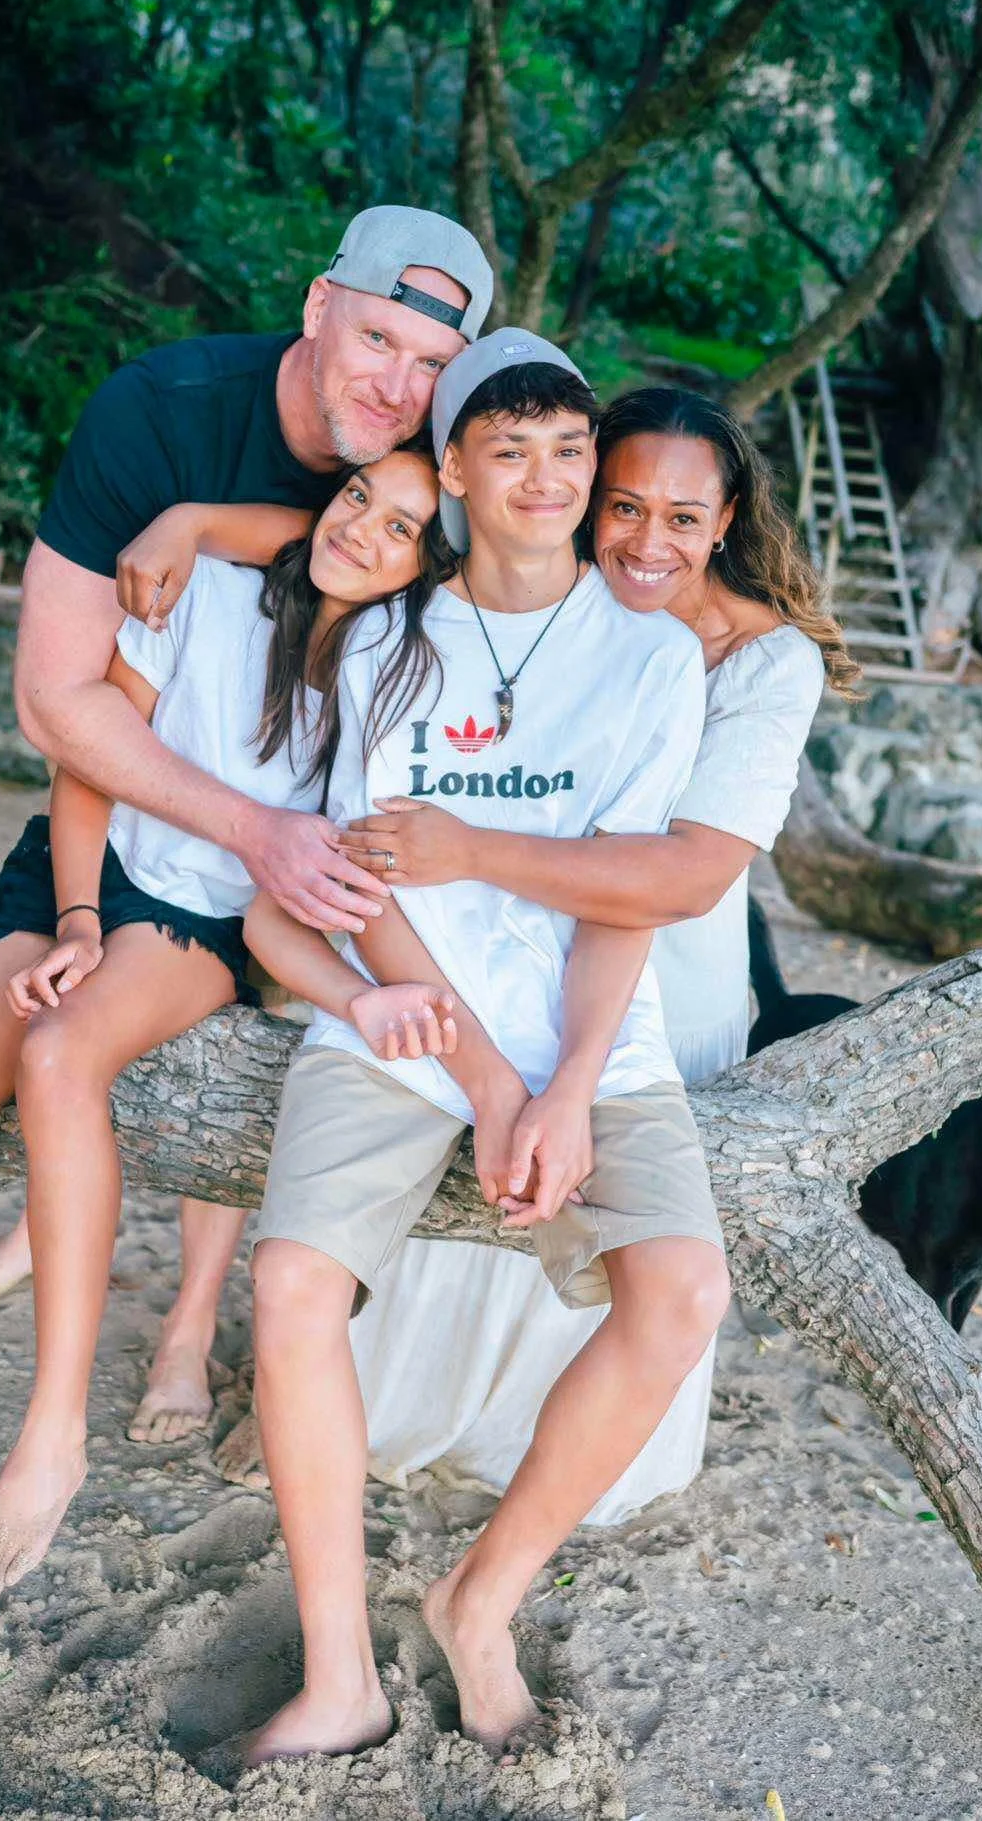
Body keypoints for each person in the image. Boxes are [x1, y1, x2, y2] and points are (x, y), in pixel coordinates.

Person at [0, 449, 452, 1667]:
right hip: (78, 864)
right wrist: (74, 920)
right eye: (356, 499)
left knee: (61, 1053)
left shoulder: (393, 671)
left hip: (204, 915)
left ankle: (51, 1433)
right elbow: (88, 765)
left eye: (401, 530)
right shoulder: (212, 586)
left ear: (425, 568)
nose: (362, 531)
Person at [0, 204, 494, 1451]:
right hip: (193, 819)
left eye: (431, 364)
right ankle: (53, 1220)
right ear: (320, 308)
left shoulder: (424, 483)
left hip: (310, 856)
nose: (399, 383)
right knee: (101, 1010)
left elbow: (393, 548)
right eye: (381, 341)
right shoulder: (185, 414)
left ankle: (188, 1322)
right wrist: (189, 518)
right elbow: (66, 703)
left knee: (255, 1038)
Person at [242, 335, 729, 1762]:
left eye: (569, 450)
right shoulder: (389, 641)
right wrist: (488, 1082)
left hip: (593, 1036)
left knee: (683, 1296)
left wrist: (566, 1085)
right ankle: (340, 1673)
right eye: (509, 450)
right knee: (290, 1284)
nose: (546, 478)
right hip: (409, 1023)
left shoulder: (650, 653)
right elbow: (367, 886)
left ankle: (481, 1599)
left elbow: (627, 891)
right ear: (452, 469)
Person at [335, 386, 858, 1520]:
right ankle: (416, 1410)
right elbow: (330, 546)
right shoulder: (527, 618)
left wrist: (469, 848)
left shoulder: (766, 664)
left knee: (613, 1234)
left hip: (669, 984)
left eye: (683, 517)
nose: (647, 541)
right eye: (624, 506)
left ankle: (565, 1459)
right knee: (470, 1204)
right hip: (503, 969)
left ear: (727, 522)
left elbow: (686, 877)